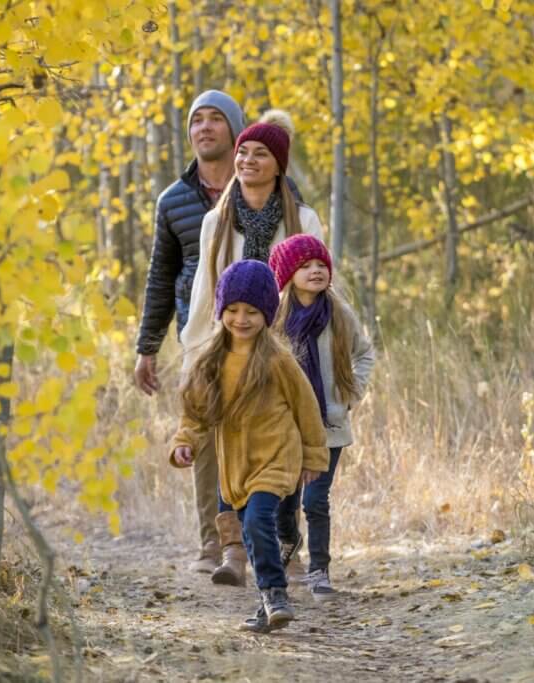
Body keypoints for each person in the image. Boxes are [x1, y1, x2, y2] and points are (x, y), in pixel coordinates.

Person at [179, 120, 327, 586]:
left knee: (281, 447)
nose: (246, 161)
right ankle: (231, 550)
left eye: (260, 153)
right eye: (243, 153)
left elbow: (321, 286)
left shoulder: (302, 219)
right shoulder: (215, 221)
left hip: (288, 349)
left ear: (278, 164)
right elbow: (205, 291)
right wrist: (195, 351)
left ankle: (287, 545)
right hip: (229, 345)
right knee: (227, 450)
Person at [169, 259, 329, 632]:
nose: (241, 319)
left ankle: (275, 594)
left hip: (276, 456)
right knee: (253, 535)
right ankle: (265, 605)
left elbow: (307, 409)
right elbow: (195, 414)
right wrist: (184, 441)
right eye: (233, 310)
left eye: (252, 312)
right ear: (222, 310)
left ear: (267, 314)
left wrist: (314, 456)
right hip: (236, 467)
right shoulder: (210, 362)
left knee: (258, 521)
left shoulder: (278, 360)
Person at [134, 90, 246, 573]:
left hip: (262, 330)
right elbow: (160, 275)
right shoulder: (174, 200)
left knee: (269, 433)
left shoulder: (264, 183)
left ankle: (281, 546)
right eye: (196, 121)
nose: (203, 128)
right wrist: (147, 348)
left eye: (215, 119)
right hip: (198, 334)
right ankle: (214, 544)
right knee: (203, 435)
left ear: (234, 129)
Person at [269, 234, 375, 601]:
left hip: (329, 425)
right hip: (287, 427)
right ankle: (288, 541)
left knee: (315, 500)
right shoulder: (274, 317)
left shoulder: (338, 313)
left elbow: (365, 354)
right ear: (287, 274)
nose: (315, 271)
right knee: (285, 498)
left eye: (321, 265)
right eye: (305, 266)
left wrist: (350, 394)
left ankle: (319, 570)